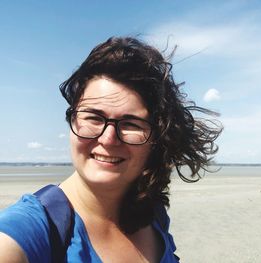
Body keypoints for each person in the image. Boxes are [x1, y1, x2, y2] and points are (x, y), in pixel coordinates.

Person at [0, 36, 222, 262]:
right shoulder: (32, 230)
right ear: (72, 121)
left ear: (157, 137)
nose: (108, 139)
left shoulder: (152, 213)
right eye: (94, 117)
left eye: (131, 124)